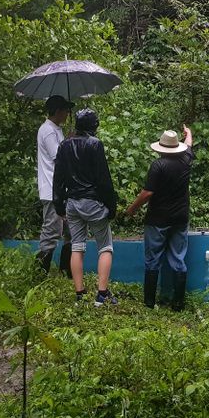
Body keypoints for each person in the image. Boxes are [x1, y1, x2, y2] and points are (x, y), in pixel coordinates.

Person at [52, 108, 119, 306]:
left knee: (77, 247)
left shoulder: (64, 145)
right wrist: (111, 205)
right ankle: (102, 294)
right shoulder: (95, 144)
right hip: (93, 203)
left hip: (72, 203)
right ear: (93, 126)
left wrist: (59, 204)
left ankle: (80, 294)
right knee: (105, 247)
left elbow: (58, 177)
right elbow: (103, 178)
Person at [124, 125, 194, 311]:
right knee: (178, 259)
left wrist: (131, 210)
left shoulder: (158, 165)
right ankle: (178, 304)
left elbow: (147, 193)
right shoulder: (186, 159)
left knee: (153, 259)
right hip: (180, 217)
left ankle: (149, 303)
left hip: (158, 219)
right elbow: (189, 145)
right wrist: (189, 134)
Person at [35, 95, 74, 278]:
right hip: (52, 189)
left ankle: (66, 271)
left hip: (59, 190)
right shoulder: (49, 131)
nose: (68, 114)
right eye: (66, 110)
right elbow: (58, 158)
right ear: (58, 111)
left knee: (70, 231)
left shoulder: (55, 129)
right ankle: (39, 274)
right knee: (52, 232)